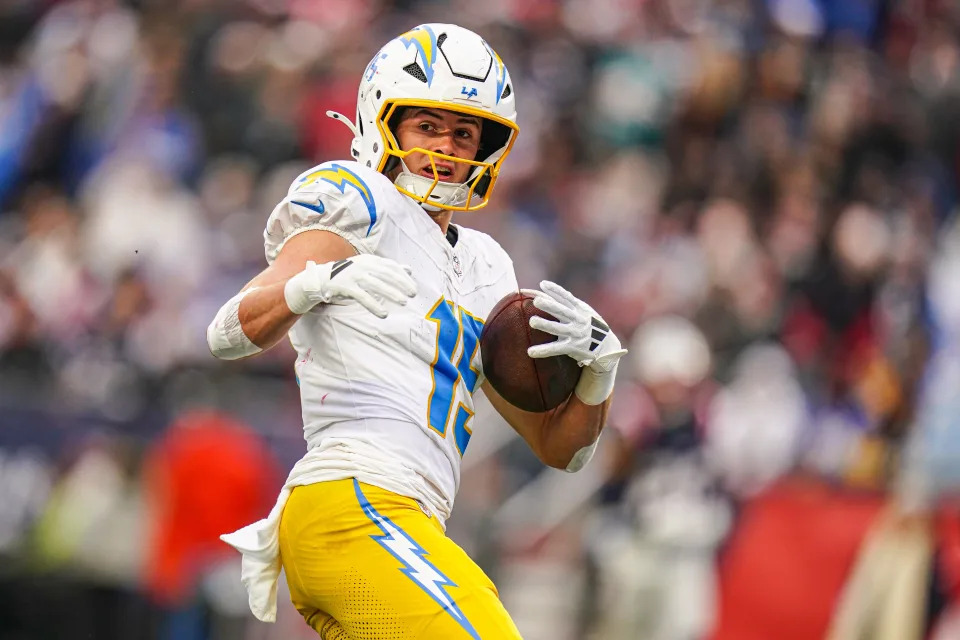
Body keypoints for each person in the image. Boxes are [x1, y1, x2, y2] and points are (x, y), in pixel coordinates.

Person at [207, 23, 626, 639]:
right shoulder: (361, 199)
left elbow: (563, 450)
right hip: (352, 502)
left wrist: (599, 375)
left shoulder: (488, 266)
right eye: (427, 126)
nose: (446, 148)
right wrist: (314, 284)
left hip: (412, 522)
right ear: (383, 121)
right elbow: (226, 332)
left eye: (464, 133)